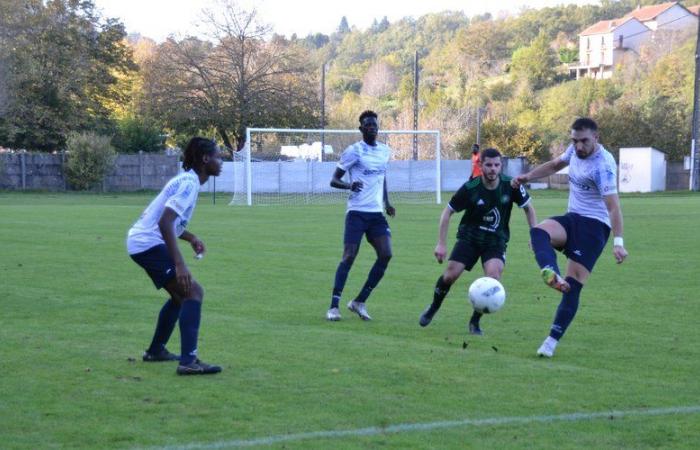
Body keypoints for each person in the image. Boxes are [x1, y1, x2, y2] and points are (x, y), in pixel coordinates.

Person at [511, 117, 628, 358]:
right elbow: (555, 164)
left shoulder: (603, 166)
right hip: (573, 218)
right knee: (538, 232)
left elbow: (613, 207)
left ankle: (551, 342)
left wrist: (618, 242)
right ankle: (550, 272)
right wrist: (528, 176)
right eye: (574, 141)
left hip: (594, 229)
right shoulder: (574, 151)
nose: (578, 146)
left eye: (584, 141)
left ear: (596, 137)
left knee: (572, 287)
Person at [127, 137, 223, 375]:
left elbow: (171, 223)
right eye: (218, 157)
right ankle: (188, 361)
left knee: (181, 297)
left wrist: (191, 238)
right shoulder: (189, 183)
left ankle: (156, 350)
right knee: (193, 292)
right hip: (147, 243)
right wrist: (180, 265)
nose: (222, 162)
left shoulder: (187, 181)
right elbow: (164, 222)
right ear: (205, 159)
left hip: (142, 242)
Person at [419, 147, 537, 334]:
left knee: (493, 278)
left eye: (497, 165)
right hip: (470, 238)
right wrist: (441, 243)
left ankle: (475, 321)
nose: (493, 169)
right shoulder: (470, 188)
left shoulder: (511, 185)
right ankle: (434, 307)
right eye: (488, 165)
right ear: (480, 165)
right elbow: (447, 212)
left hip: (496, 241)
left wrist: (534, 234)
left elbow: (528, 208)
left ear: (501, 166)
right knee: (450, 275)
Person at [326, 110, 396, 321]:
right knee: (349, 256)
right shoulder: (353, 151)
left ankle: (359, 302)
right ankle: (333, 307)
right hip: (356, 212)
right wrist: (349, 185)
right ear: (361, 129)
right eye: (367, 125)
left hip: (375, 213)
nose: (372, 128)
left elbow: (382, 178)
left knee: (386, 254)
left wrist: (387, 202)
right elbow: (333, 180)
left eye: (374, 124)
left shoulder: (385, 151)